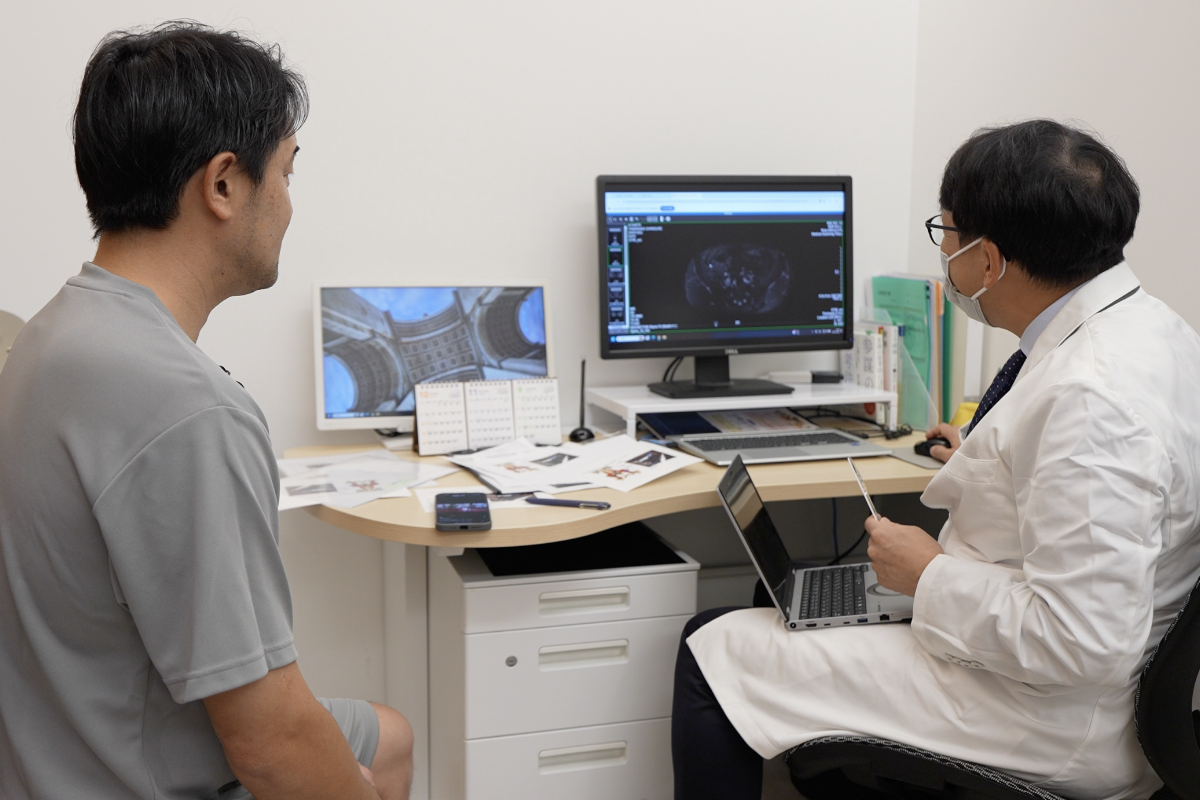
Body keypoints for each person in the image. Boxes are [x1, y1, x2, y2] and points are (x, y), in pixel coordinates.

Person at [672, 120, 1200, 800]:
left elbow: (1081, 642)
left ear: (988, 260)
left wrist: (928, 575)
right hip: (1070, 684)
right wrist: (990, 455)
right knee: (777, 608)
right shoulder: (1156, 330)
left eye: (945, 232)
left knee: (711, 646)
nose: (944, 250)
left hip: (1049, 717)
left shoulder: (1089, 399)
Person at [0, 23, 413, 800]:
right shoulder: (189, 410)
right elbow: (269, 747)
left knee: (388, 735)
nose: (288, 204)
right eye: (286, 172)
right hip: (126, 771)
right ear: (223, 184)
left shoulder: (53, 332)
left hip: (52, 735)